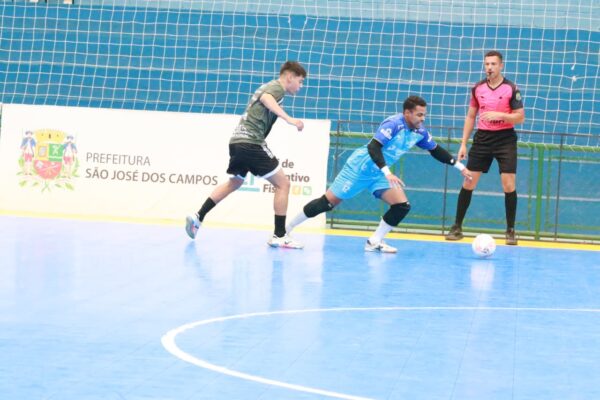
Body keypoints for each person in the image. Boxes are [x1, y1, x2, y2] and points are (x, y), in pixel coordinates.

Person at [286, 95, 473, 253]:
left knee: (402, 206)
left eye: (424, 114)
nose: (423, 118)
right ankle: (286, 229)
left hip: (380, 173)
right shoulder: (393, 124)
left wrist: (460, 167)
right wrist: (387, 172)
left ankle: (374, 241)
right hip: (360, 168)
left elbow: (436, 150)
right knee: (327, 203)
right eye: (419, 114)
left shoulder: (419, 132)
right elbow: (373, 147)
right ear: (407, 113)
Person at [185, 61, 307, 249]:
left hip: (236, 141)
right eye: (300, 81)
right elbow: (266, 99)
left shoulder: (269, 86)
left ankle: (198, 217)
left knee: (234, 182)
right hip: (251, 142)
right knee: (283, 184)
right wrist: (289, 119)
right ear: (290, 77)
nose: (301, 86)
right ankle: (280, 235)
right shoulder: (277, 88)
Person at [445, 50, 525, 245]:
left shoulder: (511, 88)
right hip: (482, 139)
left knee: (508, 184)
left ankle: (510, 230)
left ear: (501, 66)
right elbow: (471, 116)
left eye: (493, 64)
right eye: (487, 64)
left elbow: (520, 117)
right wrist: (463, 144)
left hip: (505, 139)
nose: (489, 67)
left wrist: (501, 115)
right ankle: (457, 226)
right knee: (469, 181)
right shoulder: (478, 88)